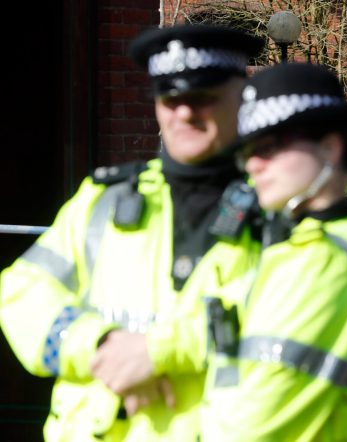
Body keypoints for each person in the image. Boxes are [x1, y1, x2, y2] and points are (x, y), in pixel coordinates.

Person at [0, 24, 263, 440]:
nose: (184, 112)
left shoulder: (280, 212)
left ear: (241, 98)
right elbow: (20, 292)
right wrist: (100, 346)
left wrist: (156, 355)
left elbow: (297, 324)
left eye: (203, 97)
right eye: (170, 98)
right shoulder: (102, 201)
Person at [201, 62, 347, 441]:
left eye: (269, 147)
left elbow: (256, 423)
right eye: (247, 150)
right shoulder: (296, 249)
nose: (253, 163)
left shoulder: (327, 264)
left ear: (329, 148)